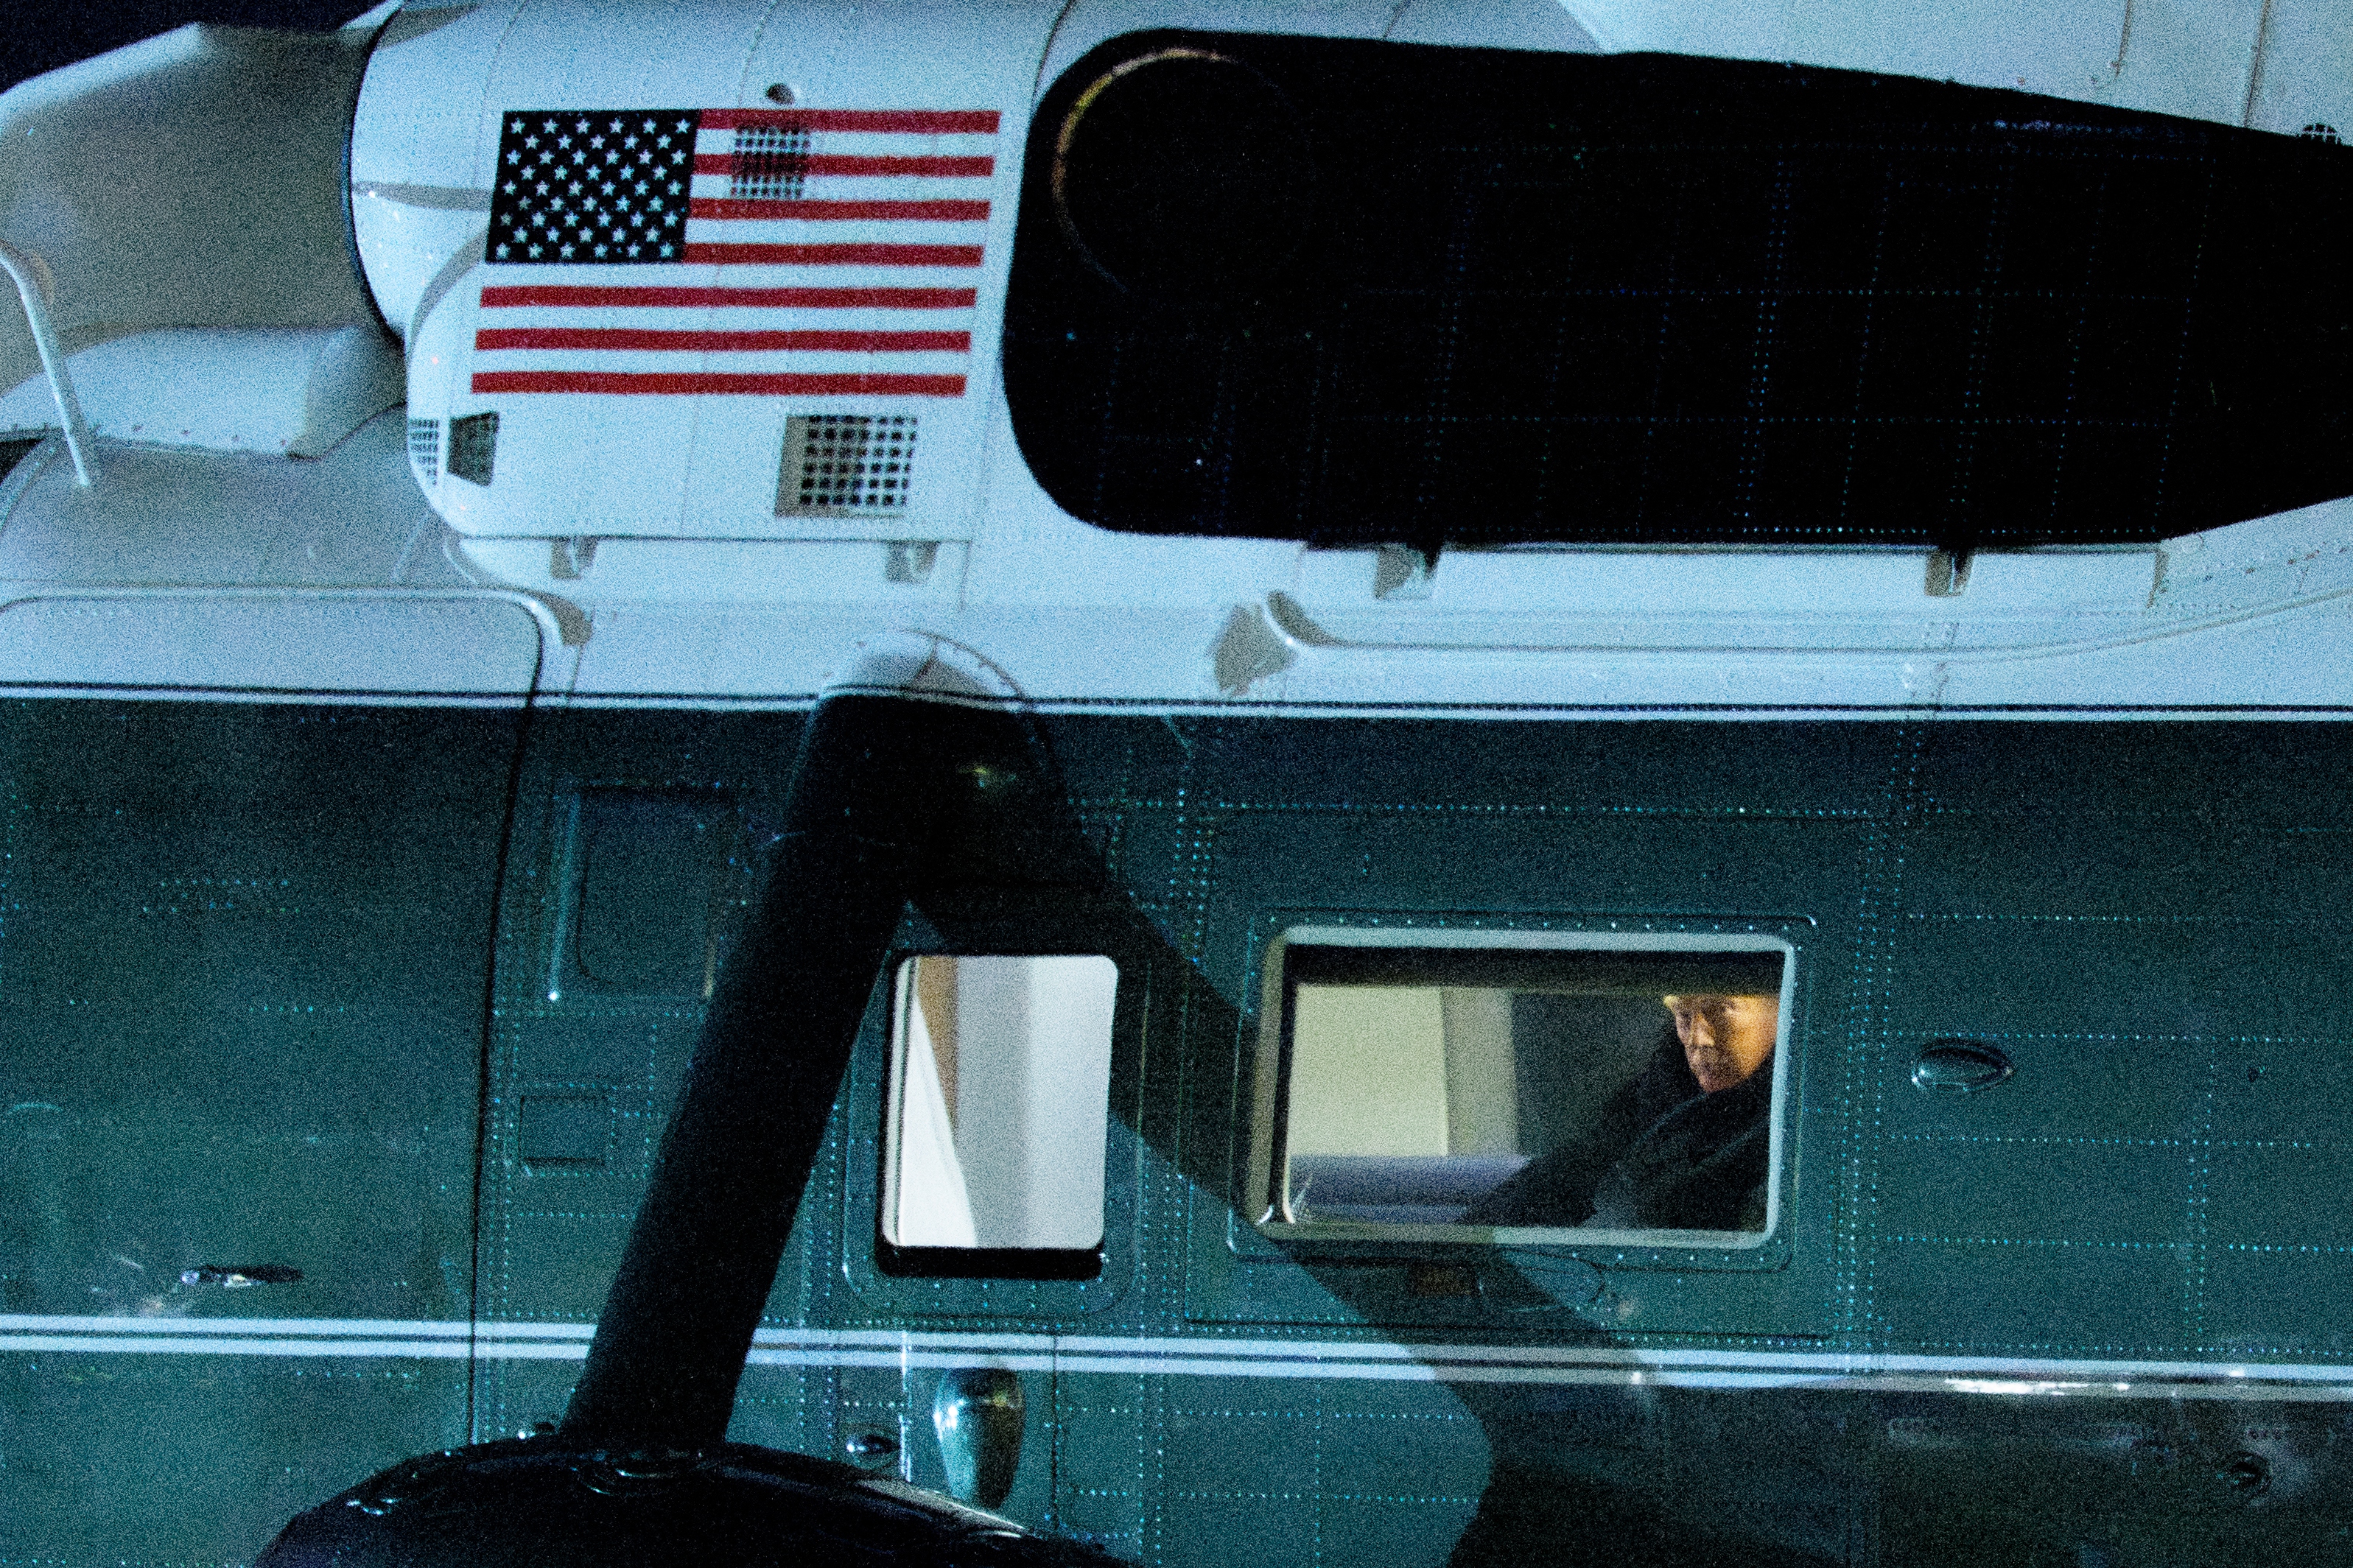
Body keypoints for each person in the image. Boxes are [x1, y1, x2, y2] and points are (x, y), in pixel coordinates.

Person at [1459, 992, 1778, 1232]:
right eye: (1684, 1015)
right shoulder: (1660, 1091)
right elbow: (1576, 1168)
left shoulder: (1793, 1125)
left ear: (1781, 1009)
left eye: (1722, 1010)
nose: (1698, 1039)